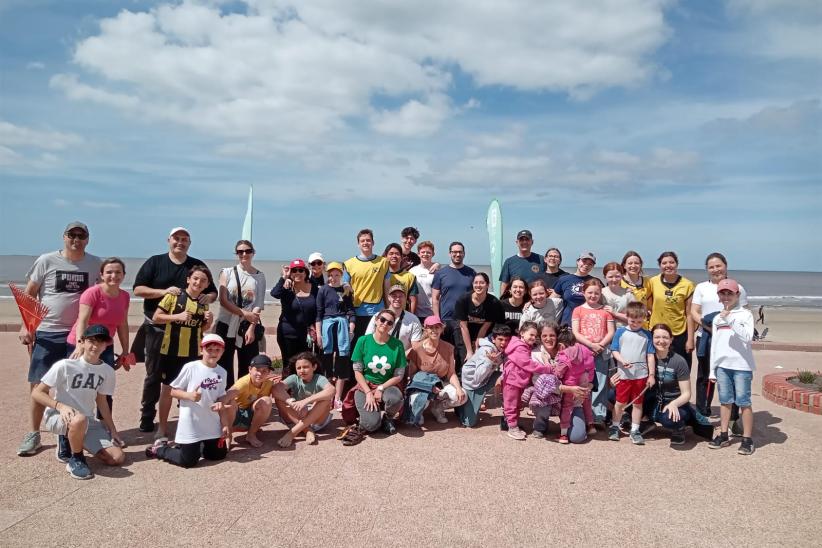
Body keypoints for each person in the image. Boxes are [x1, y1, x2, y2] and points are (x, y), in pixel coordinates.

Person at [18, 221, 102, 457]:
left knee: (77, 384)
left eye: (81, 235)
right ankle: (34, 434)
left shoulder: (95, 263)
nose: (76, 239)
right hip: (47, 331)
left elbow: (101, 295)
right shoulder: (46, 260)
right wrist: (27, 326)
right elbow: (30, 294)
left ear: (88, 238)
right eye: (71, 235)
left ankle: (75, 430)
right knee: (38, 383)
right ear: (63, 237)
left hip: (79, 335)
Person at [133, 226, 217, 434]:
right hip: (157, 330)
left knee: (187, 377)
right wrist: (163, 292)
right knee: (154, 376)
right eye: (176, 238)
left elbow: (212, 292)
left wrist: (208, 303)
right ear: (169, 240)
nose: (180, 242)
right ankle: (147, 417)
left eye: (185, 239)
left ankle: (185, 416)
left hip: (188, 335)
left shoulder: (196, 266)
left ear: (189, 243)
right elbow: (137, 289)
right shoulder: (155, 262)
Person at [31, 324, 125, 480]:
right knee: (78, 419)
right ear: (82, 342)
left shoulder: (107, 371)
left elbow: (101, 401)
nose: (95, 346)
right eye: (91, 341)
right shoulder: (65, 366)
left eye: (101, 342)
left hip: (88, 421)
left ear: (106, 345)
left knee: (117, 458)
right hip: (59, 415)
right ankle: (76, 458)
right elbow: (36, 392)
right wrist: (60, 406)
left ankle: (73, 439)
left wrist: (113, 430)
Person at [144, 333, 230, 468]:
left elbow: (220, 399)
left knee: (218, 455)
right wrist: (189, 396)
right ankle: (160, 449)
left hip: (211, 422)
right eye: (209, 349)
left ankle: (196, 446)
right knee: (188, 461)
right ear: (202, 350)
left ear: (222, 351)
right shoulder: (191, 367)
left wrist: (224, 424)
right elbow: (172, 391)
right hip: (192, 422)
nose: (213, 353)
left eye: (217, 350)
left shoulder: (222, 372)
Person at [66, 257, 133, 422]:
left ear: (123, 275)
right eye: (109, 272)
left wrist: (125, 352)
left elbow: (122, 324)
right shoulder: (92, 292)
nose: (113, 276)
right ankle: (74, 428)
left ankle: (104, 428)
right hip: (82, 343)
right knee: (79, 387)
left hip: (105, 346)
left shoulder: (124, 296)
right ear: (102, 275)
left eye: (118, 272)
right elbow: (83, 320)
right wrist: (80, 346)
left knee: (105, 388)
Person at [152, 265, 214, 441]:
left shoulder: (203, 303)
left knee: (191, 391)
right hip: (171, 351)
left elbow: (200, 328)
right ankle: (162, 428)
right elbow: (156, 317)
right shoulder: (174, 296)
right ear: (188, 279)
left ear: (207, 284)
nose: (198, 282)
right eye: (195, 278)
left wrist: (209, 323)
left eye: (203, 280)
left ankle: (189, 426)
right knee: (167, 390)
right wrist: (176, 317)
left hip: (194, 353)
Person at [690, 252, 749, 424]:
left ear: (726, 265)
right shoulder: (701, 287)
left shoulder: (739, 287)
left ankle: (732, 415)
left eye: (718, 265)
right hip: (706, 336)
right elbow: (694, 311)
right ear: (707, 269)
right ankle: (702, 411)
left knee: (730, 374)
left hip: (730, 339)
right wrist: (707, 325)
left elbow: (744, 312)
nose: (716, 269)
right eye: (711, 267)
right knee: (705, 375)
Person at [708, 279, 756, 456]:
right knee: (725, 400)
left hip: (742, 366)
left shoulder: (745, 314)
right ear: (719, 296)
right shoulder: (716, 318)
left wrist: (731, 319)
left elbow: (747, 337)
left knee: (744, 401)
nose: (726, 296)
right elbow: (715, 345)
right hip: (722, 366)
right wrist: (712, 370)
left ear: (737, 295)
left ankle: (747, 439)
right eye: (723, 293)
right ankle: (723, 434)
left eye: (730, 293)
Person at [344, 309, 407, 437]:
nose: (385, 323)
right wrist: (368, 392)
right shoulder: (363, 341)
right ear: (376, 320)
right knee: (371, 425)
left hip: (388, 385)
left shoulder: (398, 345)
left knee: (395, 399)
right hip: (365, 385)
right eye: (382, 320)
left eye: (390, 322)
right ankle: (371, 417)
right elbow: (357, 371)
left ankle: (388, 418)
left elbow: (399, 375)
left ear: (392, 326)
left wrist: (381, 388)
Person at [214, 240, 266, 388]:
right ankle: (226, 400)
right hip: (225, 325)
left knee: (248, 364)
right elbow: (223, 300)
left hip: (246, 327)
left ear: (253, 252)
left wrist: (251, 327)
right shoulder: (227, 272)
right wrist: (244, 313)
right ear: (236, 254)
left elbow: (258, 305)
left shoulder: (260, 276)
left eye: (247, 251)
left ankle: (243, 401)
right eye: (240, 251)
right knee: (224, 364)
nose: (244, 254)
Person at [608, 302, 655, 445]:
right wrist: (622, 360)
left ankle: (635, 429)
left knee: (638, 403)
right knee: (620, 403)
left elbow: (650, 355)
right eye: (632, 320)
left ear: (644, 320)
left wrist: (651, 375)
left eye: (639, 321)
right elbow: (614, 350)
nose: (635, 324)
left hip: (641, 376)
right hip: (624, 375)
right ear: (626, 317)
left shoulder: (647, 335)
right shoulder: (620, 332)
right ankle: (615, 426)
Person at [643, 324, 696, 446]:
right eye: (657, 337)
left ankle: (679, 427)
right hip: (653, 399)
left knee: (669, 419)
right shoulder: (646, 357)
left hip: (674, 401)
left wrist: (674, 403)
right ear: (651, 338)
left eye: (665, 337)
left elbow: (687, 394)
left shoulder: (679, 361)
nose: (661, 341)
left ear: (671, 339)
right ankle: (646, 421)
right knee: (614, 395)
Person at [406, 316, 466, 424]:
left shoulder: (449, 348)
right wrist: (429, 386)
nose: (434, 330)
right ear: (425, 329)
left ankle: (438, 408)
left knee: (461, 397)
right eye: (431, 327)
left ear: (442, 329)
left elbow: (451, 373)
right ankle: (419, 411)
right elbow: (412, 375)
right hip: (423, 384)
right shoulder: (417, 349)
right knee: (417, 400)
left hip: (442, 383)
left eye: (437, 327)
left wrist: (458, 388)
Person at [571, 278, 615, 424]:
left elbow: (610, 332)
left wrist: (600, 345)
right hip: (583, 352)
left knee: (601, 383)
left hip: (601, 352)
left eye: (596, 293)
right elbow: (576, 333)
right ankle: (583, 412)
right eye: (590, 292)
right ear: (584, 293)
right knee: (584, 381)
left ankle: (598, 416)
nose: (593, 296)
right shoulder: (578, 310)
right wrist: (590, 345)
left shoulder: (605, 311)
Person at [315, 261, 355, 410]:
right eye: (331, 275)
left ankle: (337, 397)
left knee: (342, 362)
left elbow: (351, 311)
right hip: (327, 328)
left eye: (337, 274)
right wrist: (319, 334)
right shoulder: (323, 290)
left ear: (341, 275)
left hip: (342, 328)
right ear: (328, 275)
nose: (334, 277)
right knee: (326, 363)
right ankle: (327, 396)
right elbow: (318, 313)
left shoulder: (346, 290)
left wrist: (351, 330)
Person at [273, 352, 335, 448]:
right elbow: (276, 389)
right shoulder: (294, 378)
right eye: (299, 368)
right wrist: (290, 401)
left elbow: (331, 390)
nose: (302, 370)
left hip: (315, 420)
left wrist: (305, 401)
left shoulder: (319, 378)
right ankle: (307, 430)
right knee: (279, 399)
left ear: (314, 367)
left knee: (326, 400)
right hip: (295, 419)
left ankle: (292, 433)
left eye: (305, 367)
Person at [501, 321, 551, 440]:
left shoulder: (522, 345)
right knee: (511, 404)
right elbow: (528, 364)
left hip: (516, 380)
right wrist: (547, 369)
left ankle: (512, 424)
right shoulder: (519, 347)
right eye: (531, 335)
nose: (533, 338)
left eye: (535, 336)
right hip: (512, 380)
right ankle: (512, 427)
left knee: (516, 404)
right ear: (522, 333)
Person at [457, 324, 512, 428]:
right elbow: (478, 378)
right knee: (469, 423)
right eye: (500, 339)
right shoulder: (486, 351)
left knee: (509, 377)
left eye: (506, 340)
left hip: (486, 379)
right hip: (472, 384)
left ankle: (508, 413)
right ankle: (459, 406)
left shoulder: (503, 350)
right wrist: (489, 362)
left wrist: (500, 378)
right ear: (493, 339)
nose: (503, 343)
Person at [431, 241, 475, 366]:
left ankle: (462, 378)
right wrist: (437, 319)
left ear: (464, 254)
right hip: (445, 319)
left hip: (463, 320)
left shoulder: (471, 273)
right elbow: (435, 298)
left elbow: (475, 296)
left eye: (460, 252)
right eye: (454, 252)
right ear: (450, 253)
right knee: (445, 351)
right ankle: (444, 377)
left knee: (462, 351)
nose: (457, 254)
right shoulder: (441, 273)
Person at [648, 251, 695, 368]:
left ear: (677, 264)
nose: (668, 265)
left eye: (671, 262)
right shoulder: (652, 282)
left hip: (679, 333)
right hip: (656, 332)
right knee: (656, 366)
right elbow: (647, 304)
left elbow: (690, 314)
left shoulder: (687, 285)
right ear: (660, 266)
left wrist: (690, 340)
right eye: (664, 263)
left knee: (681, 366)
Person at [271, 259, 317, 374]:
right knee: (289, 366)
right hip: (287, 333)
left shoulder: (313, 287)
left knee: (305, 365)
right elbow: (274, 293)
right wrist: (284, 277)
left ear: (306, 272)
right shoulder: (287, 287)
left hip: (306, 335)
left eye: (301, 270)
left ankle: (303, 390)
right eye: (294, 270)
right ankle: (286, 390)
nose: (297, 273)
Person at [343, 229, 389, 344]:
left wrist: (389, 309)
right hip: (356, 312)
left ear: (373, 242)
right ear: (358, 244)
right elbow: (344, 286)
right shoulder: (349, 263)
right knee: (356, 345)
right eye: (362, 241)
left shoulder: (383, 262)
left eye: (368, 240)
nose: (365, 243)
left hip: (377, 312)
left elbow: (387, 288)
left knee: (375, 345)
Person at [223, 354, 277, 448]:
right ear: (250, 369)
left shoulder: (269, 384)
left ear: (269, 372)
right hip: (235, 416)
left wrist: (291, 401)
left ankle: (251, 434)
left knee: (267, 401)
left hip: (249, 417)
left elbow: (281, 389)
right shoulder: (243, 382)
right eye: (257, 370)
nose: (260, 374)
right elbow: (227, 395)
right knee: (230, 402)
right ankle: (228, 435)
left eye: (264, 371)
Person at [553, 327, 595, 444]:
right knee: (586, 402)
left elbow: (559, 372)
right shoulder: (585, 351)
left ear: (561, 345)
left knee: (567, 407)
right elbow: (591, 367)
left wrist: (554, 369)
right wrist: (589, 381)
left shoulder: (565, 353)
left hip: (570, 385)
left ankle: (563, 434)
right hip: (585, 384)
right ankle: (591, 425)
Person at [455, 273, 504, 366]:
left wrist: (477, 347)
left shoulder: (493, 302)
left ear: (488, 285)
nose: (478, 285)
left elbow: (485, 327)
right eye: (476, 282)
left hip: (483, 332)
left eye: (482, 283)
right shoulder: (463, 300)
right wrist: (469, 351)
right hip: (465, 331)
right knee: (466, 357)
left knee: (481, 356)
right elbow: (463, 326)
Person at [365, 284, 423, 352]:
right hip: (378, 357)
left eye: (400, 296)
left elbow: (415, 346)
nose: (397, 299)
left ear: (405, 298)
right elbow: (368, 339)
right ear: (389, 297)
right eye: (394, 296)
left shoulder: (413, 320)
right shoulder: (378, 316)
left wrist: (400, 357)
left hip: (402, 359)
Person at [553, 251, 597, 326]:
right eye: (584, 261)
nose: (586, 265)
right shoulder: (564, 279)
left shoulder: (595, 282)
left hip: (587, 323)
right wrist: (532, 303)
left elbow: (602, 301)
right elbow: (552, 300)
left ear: (592, 267)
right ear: (577, 262)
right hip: (567, 323)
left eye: (590, 264)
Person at [498, 229, 546, 296]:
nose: (524, 242)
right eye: (521, 240)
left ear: (532, 242)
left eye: (527, 239)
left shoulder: (541, 259)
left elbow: (550, 276)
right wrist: (502, 301)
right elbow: (504, 284)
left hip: (536, 300)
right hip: (516, 301)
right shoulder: (509, 262)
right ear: (517, 242)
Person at [620, 251, 653, 324]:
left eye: (636, 263)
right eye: (630, 263)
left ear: (641, 265)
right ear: (624, 265)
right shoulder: (619, 282)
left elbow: (650, 306)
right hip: (624, 324)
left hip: (643, 325)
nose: (633, 266)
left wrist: (648, 313)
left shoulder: (647, 282)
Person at [383, 242, 418, 310]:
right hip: (383, 315)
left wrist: (411, 317)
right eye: (391, 253)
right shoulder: (381, 275)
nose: (394, 256)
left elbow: (413, 300)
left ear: (402, 257)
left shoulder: (409, 276)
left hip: (402, 315)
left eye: (397, 254)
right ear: (385, 256)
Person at [409, 240, 437, 322]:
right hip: (416, 313)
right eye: (423, 252)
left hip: (433, 313)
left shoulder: (438, 271)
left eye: (428, 252)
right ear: (418, 254)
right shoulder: (412, 271)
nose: (425, 254)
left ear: (433, 254)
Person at [601, 262, 635, 326]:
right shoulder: (600, 293)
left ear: (622, 276)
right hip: (604, 332)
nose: (614, 280)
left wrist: (615, 313)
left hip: (623, 332)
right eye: (610, 277)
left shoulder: (628, 294)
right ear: (604, 277)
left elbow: (635, 319)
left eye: (617, 276)